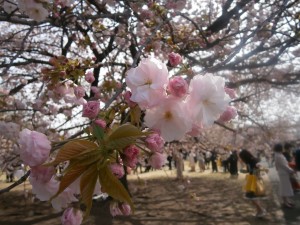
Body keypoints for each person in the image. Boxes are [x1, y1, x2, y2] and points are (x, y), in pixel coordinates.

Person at [239, 149, 267, 218]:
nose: (241, 159)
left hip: (254, 180)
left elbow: (259, 168)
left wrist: (257, 169)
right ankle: (259, 211)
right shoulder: (250, 161)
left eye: (242, 157)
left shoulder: (253, 161)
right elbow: (248, 170)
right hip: (251, 179)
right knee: (254, 197)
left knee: (252, 197)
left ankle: (261, 210)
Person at [273, 143, 295, 208]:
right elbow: (284, 165)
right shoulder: (278, 156)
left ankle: (287, 201)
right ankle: (285, 202)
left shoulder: (278, 155)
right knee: (284, 187)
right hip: (283, 173)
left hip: (283, 172)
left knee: (286, 187)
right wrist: (291, 170)